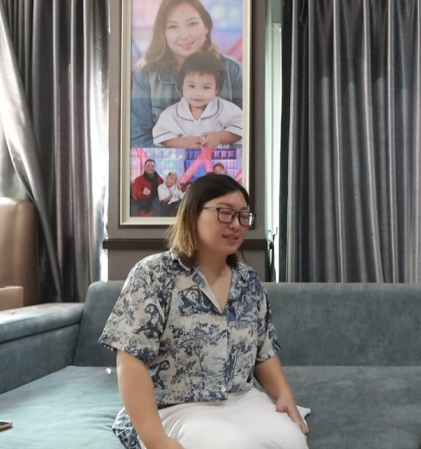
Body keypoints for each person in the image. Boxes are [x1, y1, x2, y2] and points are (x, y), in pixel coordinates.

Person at [100, 174, 309, 449]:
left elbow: (263, 351)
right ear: (192, 213)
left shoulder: (248, 281)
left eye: (243, 216)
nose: (236, 224)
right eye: (225, 213)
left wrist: (284, 395)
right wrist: (156, 439)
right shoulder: (153, 274)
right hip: (175, 406)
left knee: (291, 440)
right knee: (231, 444)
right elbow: (130, 361)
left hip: (241, 399)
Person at [131, 0, 243, 148]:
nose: (184, 35)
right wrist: (180, 152)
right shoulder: (146, 76)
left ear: (206, 26)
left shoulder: (232, 70)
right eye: (173, 26)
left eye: (192, 24)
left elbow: (249, 132)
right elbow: (139, 140)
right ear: (163, 33)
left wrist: (219, 152)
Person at [153, 52, 243, 148]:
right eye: (191, 86)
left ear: (216, 89)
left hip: (217, 156)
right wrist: (182, 142)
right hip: (184, 156)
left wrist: (219, 137)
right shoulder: (170, 113)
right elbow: (163, 139)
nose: (198, 93)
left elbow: (240, 130)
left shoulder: (227, 109)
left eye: (206, 87)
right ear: (182, 85)